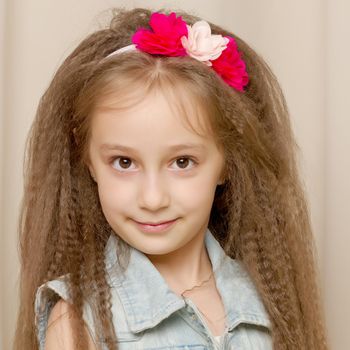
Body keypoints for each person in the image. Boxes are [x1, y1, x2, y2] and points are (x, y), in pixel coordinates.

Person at [13, 7, 329, 350]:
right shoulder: (78, 322)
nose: (152, 198)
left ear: (226, 163)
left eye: (182, 162)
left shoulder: (268, 302)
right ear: (87, 159)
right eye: (123, 162)